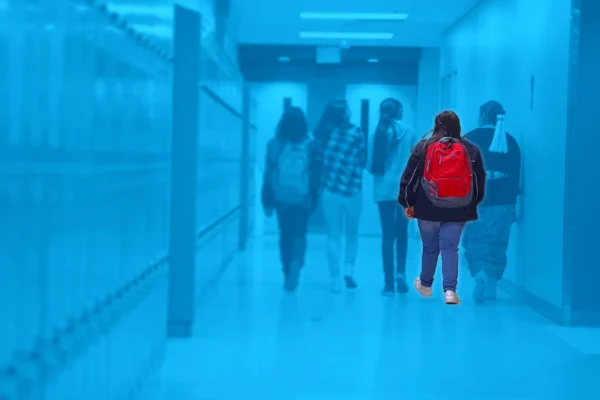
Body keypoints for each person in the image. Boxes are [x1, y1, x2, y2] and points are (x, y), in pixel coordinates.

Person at [398, 110, 486, 305]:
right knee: (450, 248)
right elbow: (479, 182)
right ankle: (450, 292)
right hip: (459, 207)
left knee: (430, 248)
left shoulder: (423, 146)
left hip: (427, 206)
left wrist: (408, 202)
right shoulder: (471, 149)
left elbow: (409, 178)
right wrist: (472, 202)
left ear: (436, 125)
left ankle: (426, 286)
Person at [462, 101, 521, 303]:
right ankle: (492, 287)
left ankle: (479, 274)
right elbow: (516, 176)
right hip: (503, 200)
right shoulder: (510, 141)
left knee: (475, 240)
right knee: (498, 242)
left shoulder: (468, 139)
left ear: (482, 116)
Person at [261, 106, 319, 292]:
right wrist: (314, 199)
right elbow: (316, 175)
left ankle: (287, 271)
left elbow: (268, 175)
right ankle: (297, 264)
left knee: (285, 233)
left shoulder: (273, 144)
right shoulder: (311, 145)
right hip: (302, 198)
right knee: (300, 234)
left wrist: (267, 201)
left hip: (281, 197)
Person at [313, 100, 366, 293]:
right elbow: (363, 160)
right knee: (352, 234)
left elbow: (317, 162)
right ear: (342, 114)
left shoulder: (322, 134)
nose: (350, 112)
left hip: (330, 191)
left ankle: (335, 279)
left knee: (333, 236)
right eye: (347, 110)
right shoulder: (356, 132)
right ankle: (349, 270)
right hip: (353, 190)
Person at [369, 98, 415, 296]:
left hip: (383, 191)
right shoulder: (410, 131)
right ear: (400, 111)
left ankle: (388, 283)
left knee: (387, 235)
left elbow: (370, 164)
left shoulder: (377, 132)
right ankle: (401, 273)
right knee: (402, 233)